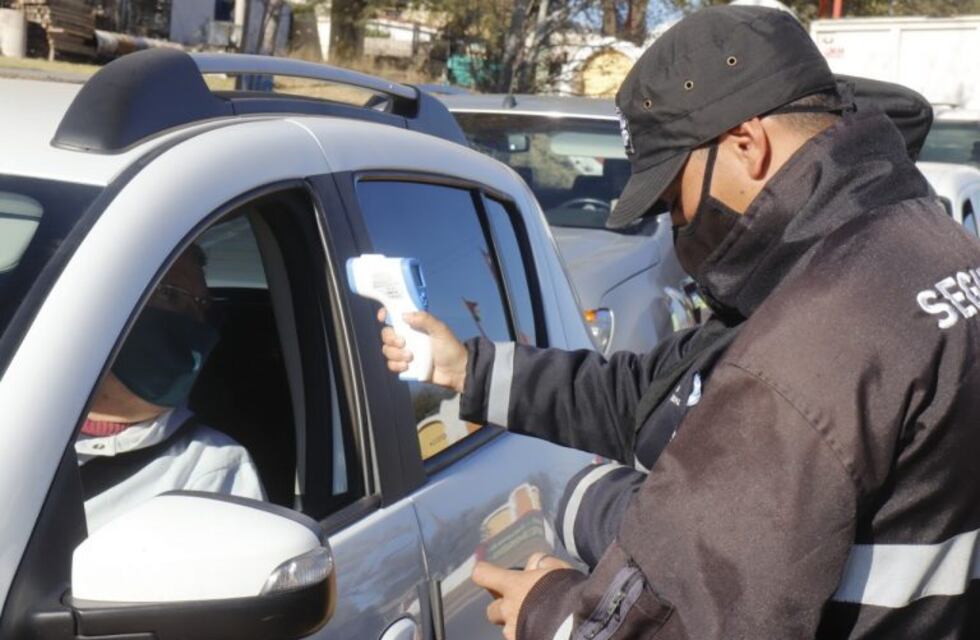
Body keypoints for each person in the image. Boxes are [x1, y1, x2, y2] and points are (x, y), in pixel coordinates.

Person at [377, 6, 980, 639]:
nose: (675, 223)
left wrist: (549, 611)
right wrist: (468, 369)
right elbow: (656, 392)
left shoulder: (811, 339)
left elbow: (690, 620)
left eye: (675, 196)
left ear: (747, 145)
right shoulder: (924, 247)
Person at [76, 245, 264, 531]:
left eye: (203, 307)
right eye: (169, 294)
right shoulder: (18, 411)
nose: (196, 324)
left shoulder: (213, 470)